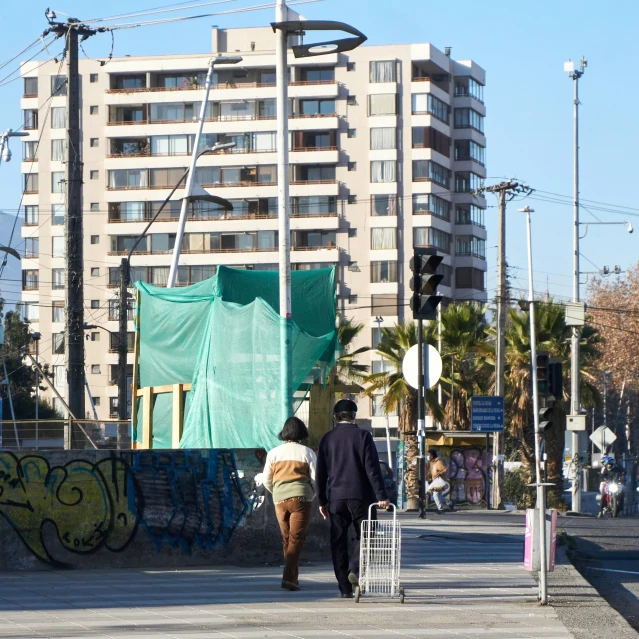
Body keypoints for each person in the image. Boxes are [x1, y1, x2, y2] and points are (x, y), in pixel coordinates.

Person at [315, 399, 390, 598]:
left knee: (338, 541)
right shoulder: (363, 436)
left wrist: (322, 500)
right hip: (362, 497)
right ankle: (355, 570)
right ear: (354, 416)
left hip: (336, 498)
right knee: (366, 535)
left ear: (335, 417)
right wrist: (382, 497)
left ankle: (344, 588)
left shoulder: (327, 439)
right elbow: (372, 470)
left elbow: (320, 473)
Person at [263, 416, 317, 591]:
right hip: (301, 498)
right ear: (302, 432)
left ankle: (293, 578)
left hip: (279, 500)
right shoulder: (307, 452)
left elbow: (266, 480)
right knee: (296, 539)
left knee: (287, 539)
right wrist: (312, 493)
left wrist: (277, 492)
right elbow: (316, 478)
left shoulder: (273, 453)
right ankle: (288, 578)